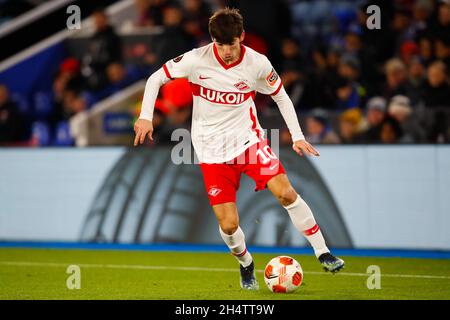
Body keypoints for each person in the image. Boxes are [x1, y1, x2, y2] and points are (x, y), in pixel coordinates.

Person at [133, 8, 344, 290]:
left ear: (241, 37)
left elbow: (281, 97)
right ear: (212, 40)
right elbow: (155, 78)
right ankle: (246, 264)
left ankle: (323, 252)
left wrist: (297, 136)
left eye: (231, 44)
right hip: (210, 152)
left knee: (285, 192)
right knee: (229, 225)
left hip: (248, 141)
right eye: (220, 44)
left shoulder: (257, 63)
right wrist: (146, 116)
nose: (226, 51)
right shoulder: (197, 60)